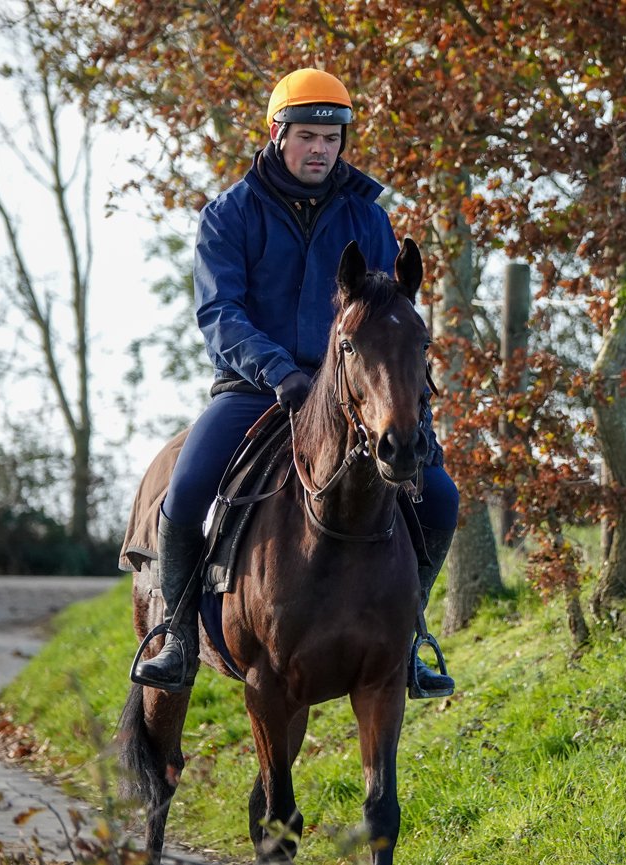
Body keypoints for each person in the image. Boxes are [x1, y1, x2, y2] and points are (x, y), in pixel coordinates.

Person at [130, 68, 458, 698]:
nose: (319, 150)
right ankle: (176, 637)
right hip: (255, 388)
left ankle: (408, 639)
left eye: (331, 140)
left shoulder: (368, 217)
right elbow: (219, 314)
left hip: (352, 395)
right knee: (188, 489)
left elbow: (387, 311)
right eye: (307, 136)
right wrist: (279, 371)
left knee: (440, 498)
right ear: (278, 134)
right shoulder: (229, 214)